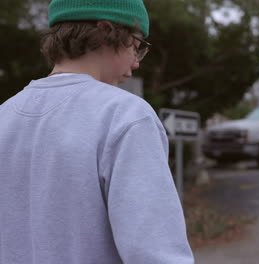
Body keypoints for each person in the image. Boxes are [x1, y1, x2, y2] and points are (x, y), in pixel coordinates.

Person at [0, 0, 194, 263]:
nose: (136, 63)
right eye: (136, 46)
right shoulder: (125, 116)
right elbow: (155, 253)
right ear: (105, 31)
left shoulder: (5, 115)